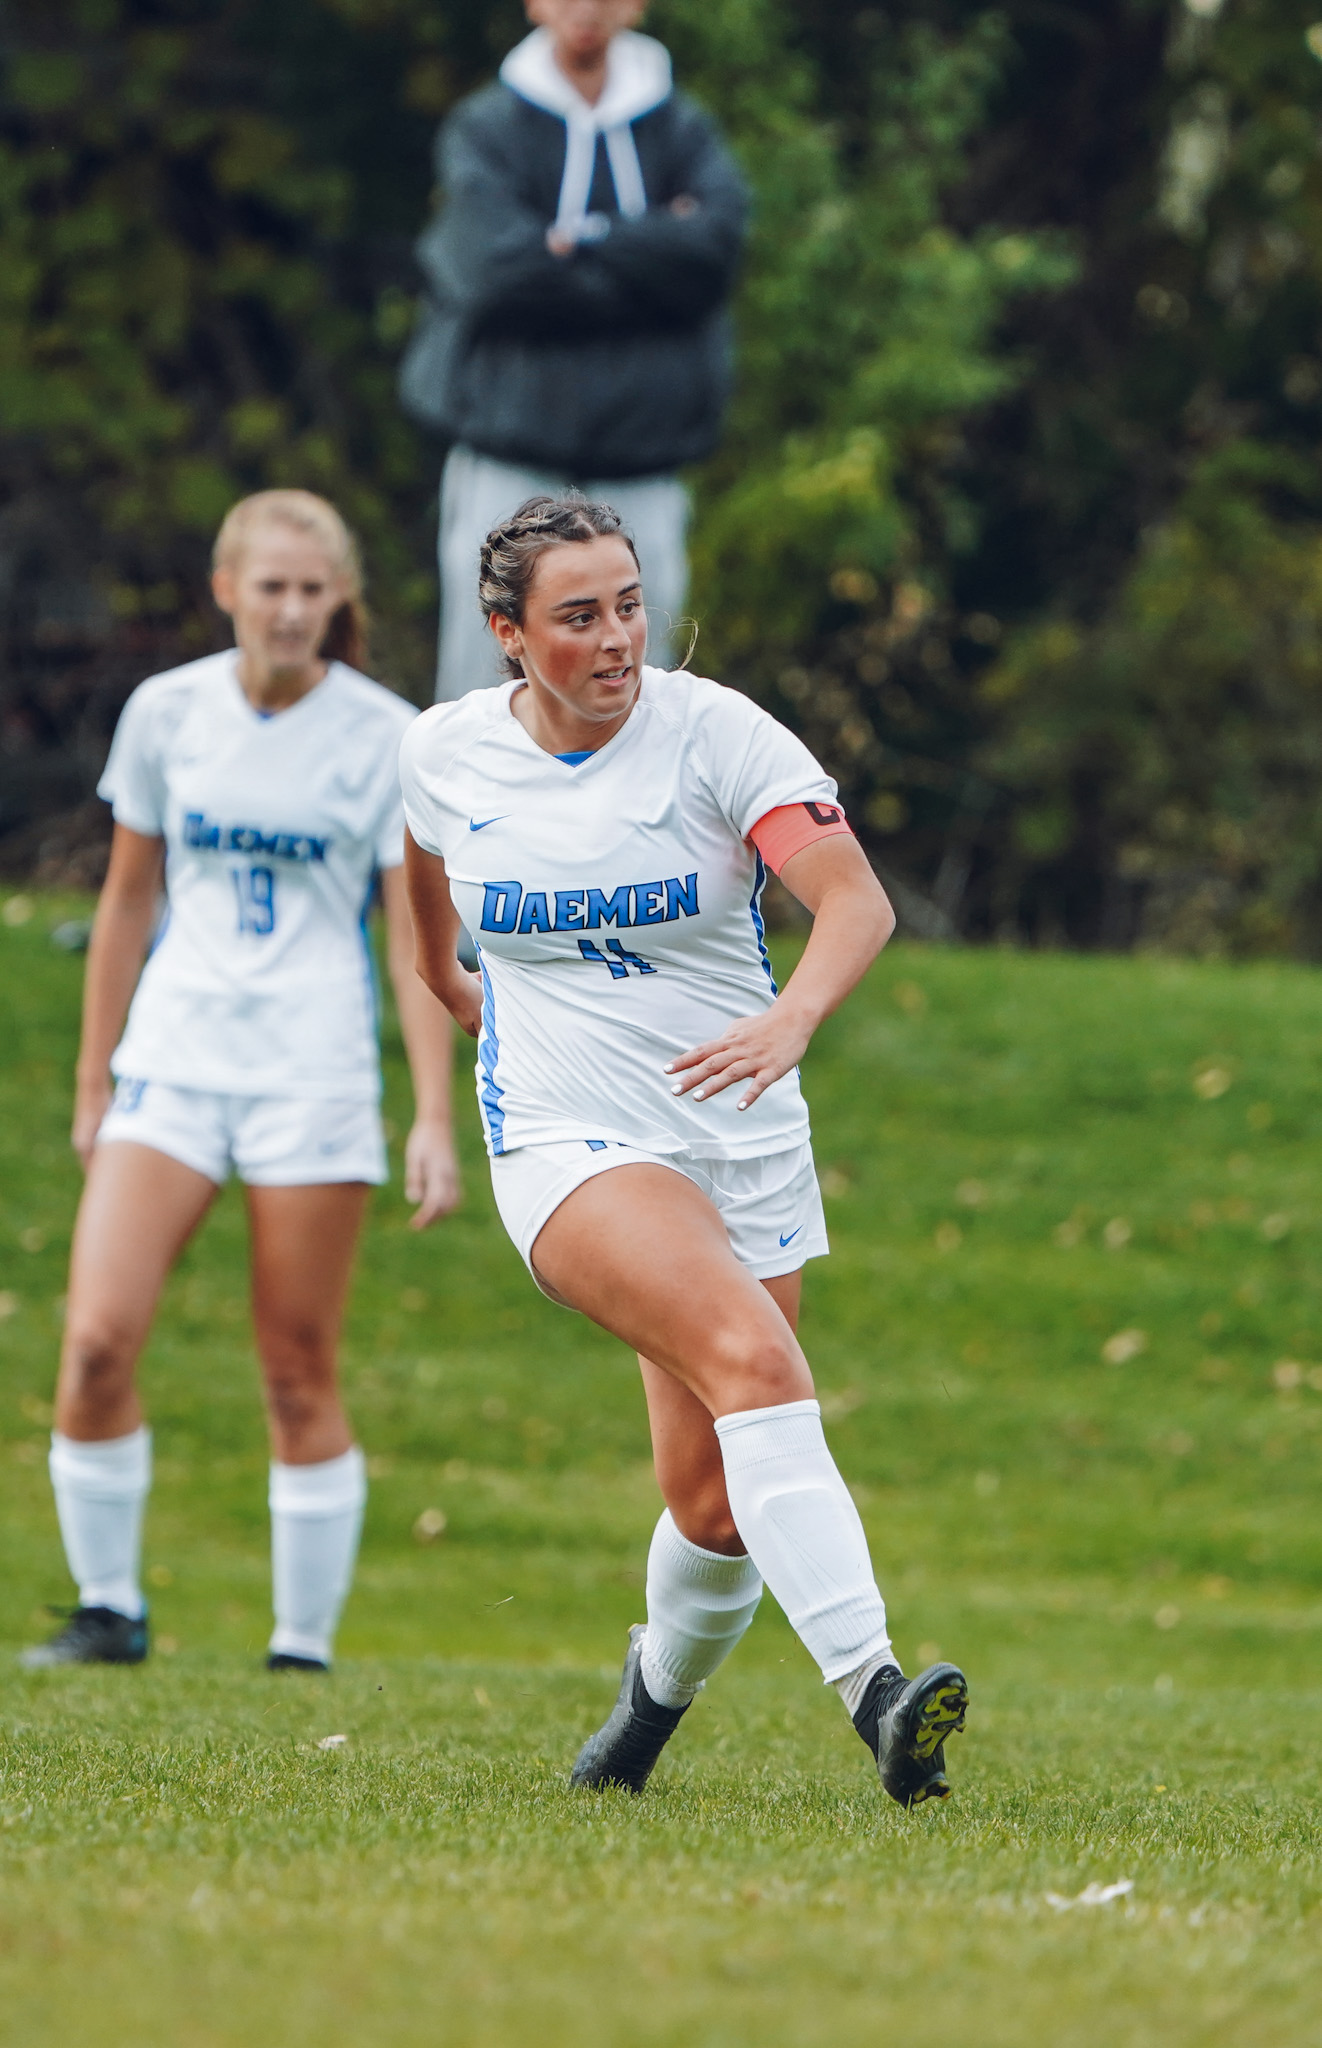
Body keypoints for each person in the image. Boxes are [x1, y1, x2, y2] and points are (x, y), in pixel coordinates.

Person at [400, 495, 969, 1806]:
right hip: (564, 1143)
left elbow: (851, 902)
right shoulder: (444, 752)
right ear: (506, 634)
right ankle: (879, 1699)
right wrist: (441, 972)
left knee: (713, 1504)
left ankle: (642, 1719)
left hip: (742, 1140)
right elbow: (420, 858)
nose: (616, 639)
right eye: (577, 616)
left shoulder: (712, 733)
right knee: (757, 1363)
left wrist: (792, 1013)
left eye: (628, 603)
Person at [20, 490, 459, 1674]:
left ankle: (297, 1646)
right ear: (226, 590)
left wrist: (430, 1111)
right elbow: (125, 901)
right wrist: (93, 1077)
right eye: (271, 587)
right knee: (99, 1340)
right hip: (174, 1059)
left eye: (315, 591)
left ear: (340, 602)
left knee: (295, 1363)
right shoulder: (166, 712)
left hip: (309, 1075)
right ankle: (107, 1609)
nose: (293, 610)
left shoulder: (385, 735)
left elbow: (413, 940)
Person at [399, 0, 747, 701]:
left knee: (637, 691)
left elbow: (712, 253)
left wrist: (575, 240)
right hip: (509, 449)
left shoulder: (680, 128)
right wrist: (649, 253)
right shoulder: (487, 126)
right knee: (483, 693)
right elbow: (492, 273)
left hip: (642, 458)